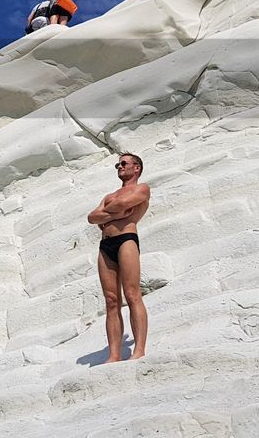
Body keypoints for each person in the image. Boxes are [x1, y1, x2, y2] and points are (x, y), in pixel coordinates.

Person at [85, 153, 150, 362]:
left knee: (132, 294)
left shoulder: (142, 189)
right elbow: (92, 217)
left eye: (123, 163)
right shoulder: (110, 195)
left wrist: (110, 212)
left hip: (126, 239)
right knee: (111, 301)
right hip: (106, 245)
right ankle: (114, 355)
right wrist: (118, 212)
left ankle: (138, 350)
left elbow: (111, 208)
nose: (119, 167)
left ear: (136, 168)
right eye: (118, 164)